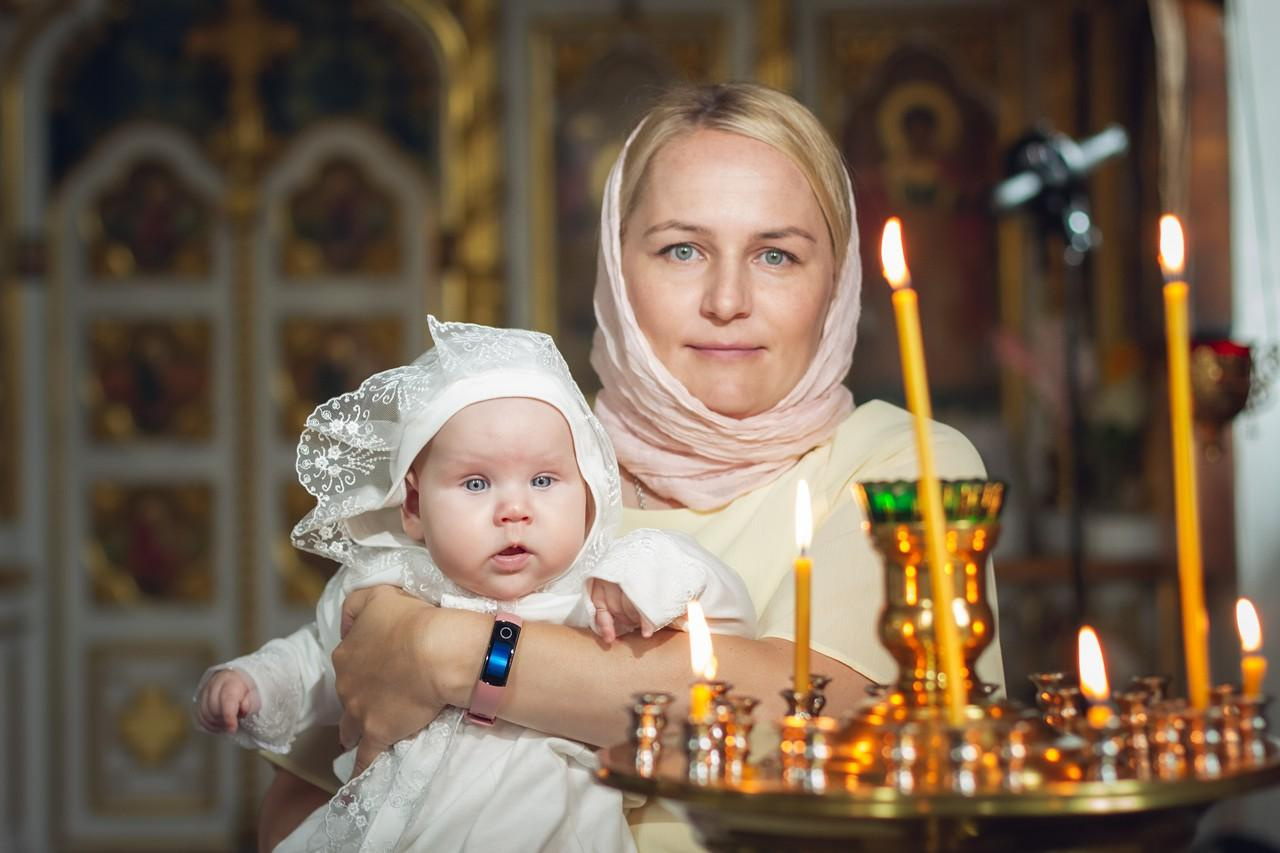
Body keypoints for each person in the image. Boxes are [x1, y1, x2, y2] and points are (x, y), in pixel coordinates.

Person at [258, 82, 1005, 852]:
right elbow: (301, 806)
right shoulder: (519, 459)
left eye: (776, 254)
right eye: (682, 249)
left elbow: (850, 713)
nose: (726, 299)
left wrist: (449, 650)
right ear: (616, 266)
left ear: (837, 279)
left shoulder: (902, 463)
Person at [196, 316, 756, 851]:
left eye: (543, 479)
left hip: (546, 827)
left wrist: (641, 581)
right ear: (413, 504)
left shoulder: (594, 587)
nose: (514, 509)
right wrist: (255, 683)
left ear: (586, 492)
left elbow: (725, 626)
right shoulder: (387, 581)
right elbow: (322, 663)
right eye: (475, 482)